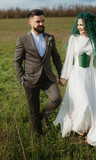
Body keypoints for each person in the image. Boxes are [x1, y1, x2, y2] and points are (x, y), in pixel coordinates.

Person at [54, 12, 96, 146]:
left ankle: (86, 128)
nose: (79, 27)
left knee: (92, 103)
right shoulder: (74, 39)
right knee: (84, 102)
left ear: (89, 25)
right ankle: (80, 129)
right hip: (77, 75)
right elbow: (69, 59)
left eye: (82, 24)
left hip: (91, 75)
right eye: (78, 24)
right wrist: (64, 76)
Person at [14, 9, 62, 137]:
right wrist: (22, 79)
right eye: (38, 21)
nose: (41, 23)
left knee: (57, 99)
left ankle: (44, 116)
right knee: (33, 109)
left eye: (43, 21)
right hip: (30, 79)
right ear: (30, 22)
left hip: (47, 77)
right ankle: (38, 135)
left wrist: (61, 75)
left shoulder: (49, 38)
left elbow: (56, 57)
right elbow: (17, 61)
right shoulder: (22, 40)